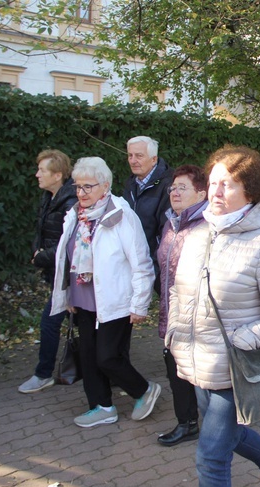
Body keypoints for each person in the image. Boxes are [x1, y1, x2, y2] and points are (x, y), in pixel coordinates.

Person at [166, 145, 260, 487]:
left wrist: (240, 341)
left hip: (233, 370)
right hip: (196, 361)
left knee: (211, 455)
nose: (216, 192)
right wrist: (175, 333)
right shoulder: (198, 234)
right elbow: (179, 291)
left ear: (251, 191)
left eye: (227, 184)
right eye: (212, 183)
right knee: (230, 434)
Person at [51, 157, 160, 427]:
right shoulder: (75, 215)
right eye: (78, 186)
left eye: (88, 186)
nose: (81, 193)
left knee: (108, 357)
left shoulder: (121, 215)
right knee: (88, 357)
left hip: (115, 299)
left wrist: (140, 304)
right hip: (82, 298)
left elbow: (141, 262)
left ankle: (143, 390)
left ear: (105, 185)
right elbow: (67, 257)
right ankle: (102, 406)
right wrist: (66, 296)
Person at [156, 165, 208, 446]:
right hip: (170, 312)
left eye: (181, 188)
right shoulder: (170, 223)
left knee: (201, 373)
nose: (174, 192)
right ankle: (187, 423)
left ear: (201, 193)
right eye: (172, 188)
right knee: (175, 369)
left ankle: (213, 423)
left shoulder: (207, 227)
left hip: (196, 317)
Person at [19, 150, 78, 394]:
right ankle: (103, 367)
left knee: (50, 322)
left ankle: (43, 374)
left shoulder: (71, 201)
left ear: (58, 174)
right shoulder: (48, 197)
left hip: (68, 277)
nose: (37, 175)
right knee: (77, 323)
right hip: (55, 274)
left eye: (42, 171)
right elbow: (40, 230)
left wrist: (41, 257)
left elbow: (69, 243)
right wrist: (37, 251)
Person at [123, 136, 174, 292]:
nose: (133, 160)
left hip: (156, 265)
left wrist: (154, 265)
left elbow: (166, 231)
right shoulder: (131, 184)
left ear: (154, 159)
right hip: (134, 262)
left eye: (139, 156)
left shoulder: (169, 185)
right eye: (130, 155)